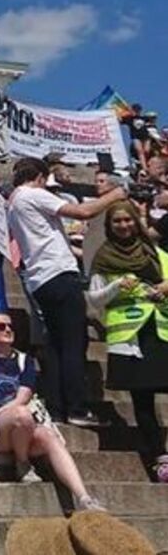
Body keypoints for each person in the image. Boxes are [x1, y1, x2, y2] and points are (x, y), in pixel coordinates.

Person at [7, 156, 127, 427]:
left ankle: (58, 407)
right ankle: (77, 407)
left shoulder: (14, 202)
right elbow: (83, 212)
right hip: (59, 274)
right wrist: (118, 193)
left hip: (40, 278)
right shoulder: (33, 194)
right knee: (73, 342)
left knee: (56, 345)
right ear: (39, 176)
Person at [0, 310, 106, 508]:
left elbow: (23, 397)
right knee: (21, 415)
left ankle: (84, 497)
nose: (7, 330)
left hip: (20, 425)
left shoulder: (24, 360)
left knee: (49, 436)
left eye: (10, 326)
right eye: (1, 326)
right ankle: (21, 464)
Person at [86, 202, 168, 481]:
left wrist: (163, 289)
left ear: (136, 222)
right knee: (142, 402)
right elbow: (94, 299)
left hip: (159, 331)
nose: (123, 226)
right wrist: (116, 286)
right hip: (129, 337)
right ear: (110, 226)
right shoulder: (103, 257)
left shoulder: (156, 254)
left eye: (128, 220)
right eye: (117, 222)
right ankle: (160, 458)